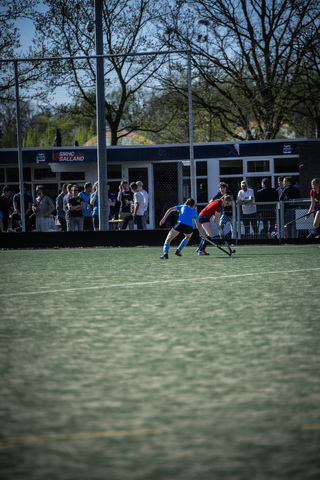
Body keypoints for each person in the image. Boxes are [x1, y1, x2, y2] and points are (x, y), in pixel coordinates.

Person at [306, 178, 320, 243]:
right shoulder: (312, 192)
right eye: (312, 184)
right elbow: (312, 203)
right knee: (315, 224)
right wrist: (309, 213)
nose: (314, 186)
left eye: (315, 184)